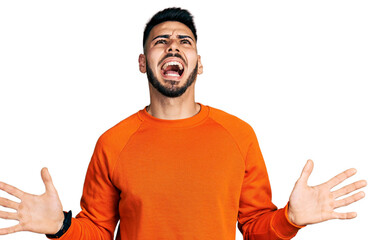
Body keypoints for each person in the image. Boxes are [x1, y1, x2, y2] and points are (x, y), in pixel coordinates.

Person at [0, 7, 367, 240]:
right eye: (161, 41)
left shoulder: (238, 135)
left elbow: (256, 227)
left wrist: (291, 219)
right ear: (143, 62)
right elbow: (96, 231)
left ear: (199, 62)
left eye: (184, 41)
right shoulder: (113, 143)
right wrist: (60, 227)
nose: (173, 46)